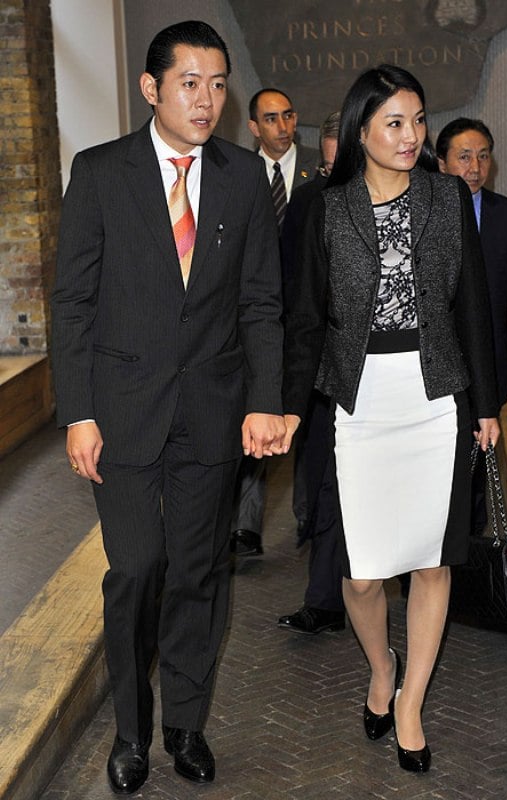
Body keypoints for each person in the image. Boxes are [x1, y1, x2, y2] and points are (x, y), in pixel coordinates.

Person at [51, 21, 285, 795]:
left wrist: (264, 400)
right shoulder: (100, 172)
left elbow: (260, 301)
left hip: (212, 410)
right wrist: (78, 413)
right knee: (136, 568)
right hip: (120, 411)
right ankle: (130, 730)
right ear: (151, 88)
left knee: (197, 571)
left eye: (217, 84)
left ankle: (184, 724)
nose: (206, 100)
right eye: (190, 83)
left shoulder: (243, 178)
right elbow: (73, 301)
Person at [282, 65, 500, 774]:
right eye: (395, 123)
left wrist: (486, 405)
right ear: (361, 131)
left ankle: (409, 704)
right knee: (364, 575)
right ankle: (381, 666)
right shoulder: (327, 207)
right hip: (362, 399)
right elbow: (306, 318)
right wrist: (289, 409)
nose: (412, 135)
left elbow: (473, 305)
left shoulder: (446, 195)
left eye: (418, 119)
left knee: (432, 562)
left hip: (435, 396)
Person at [231, 88, 319, 558]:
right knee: (257, 410)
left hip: (307, 313)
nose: (282, 127)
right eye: (270, 119)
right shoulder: (238, 174)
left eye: (288, 116)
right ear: (253, 127)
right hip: (255, 316)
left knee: (304, 413)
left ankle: (309, 516)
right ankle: (245, 526)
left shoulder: (319, 171)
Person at [278, 111, 346, 635]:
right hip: (323, 374)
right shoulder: (308, 203)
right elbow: (290, 289)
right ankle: (324, 600)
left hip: (386, 377)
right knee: (327, 486)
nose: (331, 176)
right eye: (325, 167)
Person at [436, 117, 507, 408]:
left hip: (492, 352)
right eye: (464, 157)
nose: (475, 168)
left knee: (487, 431)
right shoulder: (424, 214)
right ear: (442, 163)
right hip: (438, 355)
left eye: (483, 156)